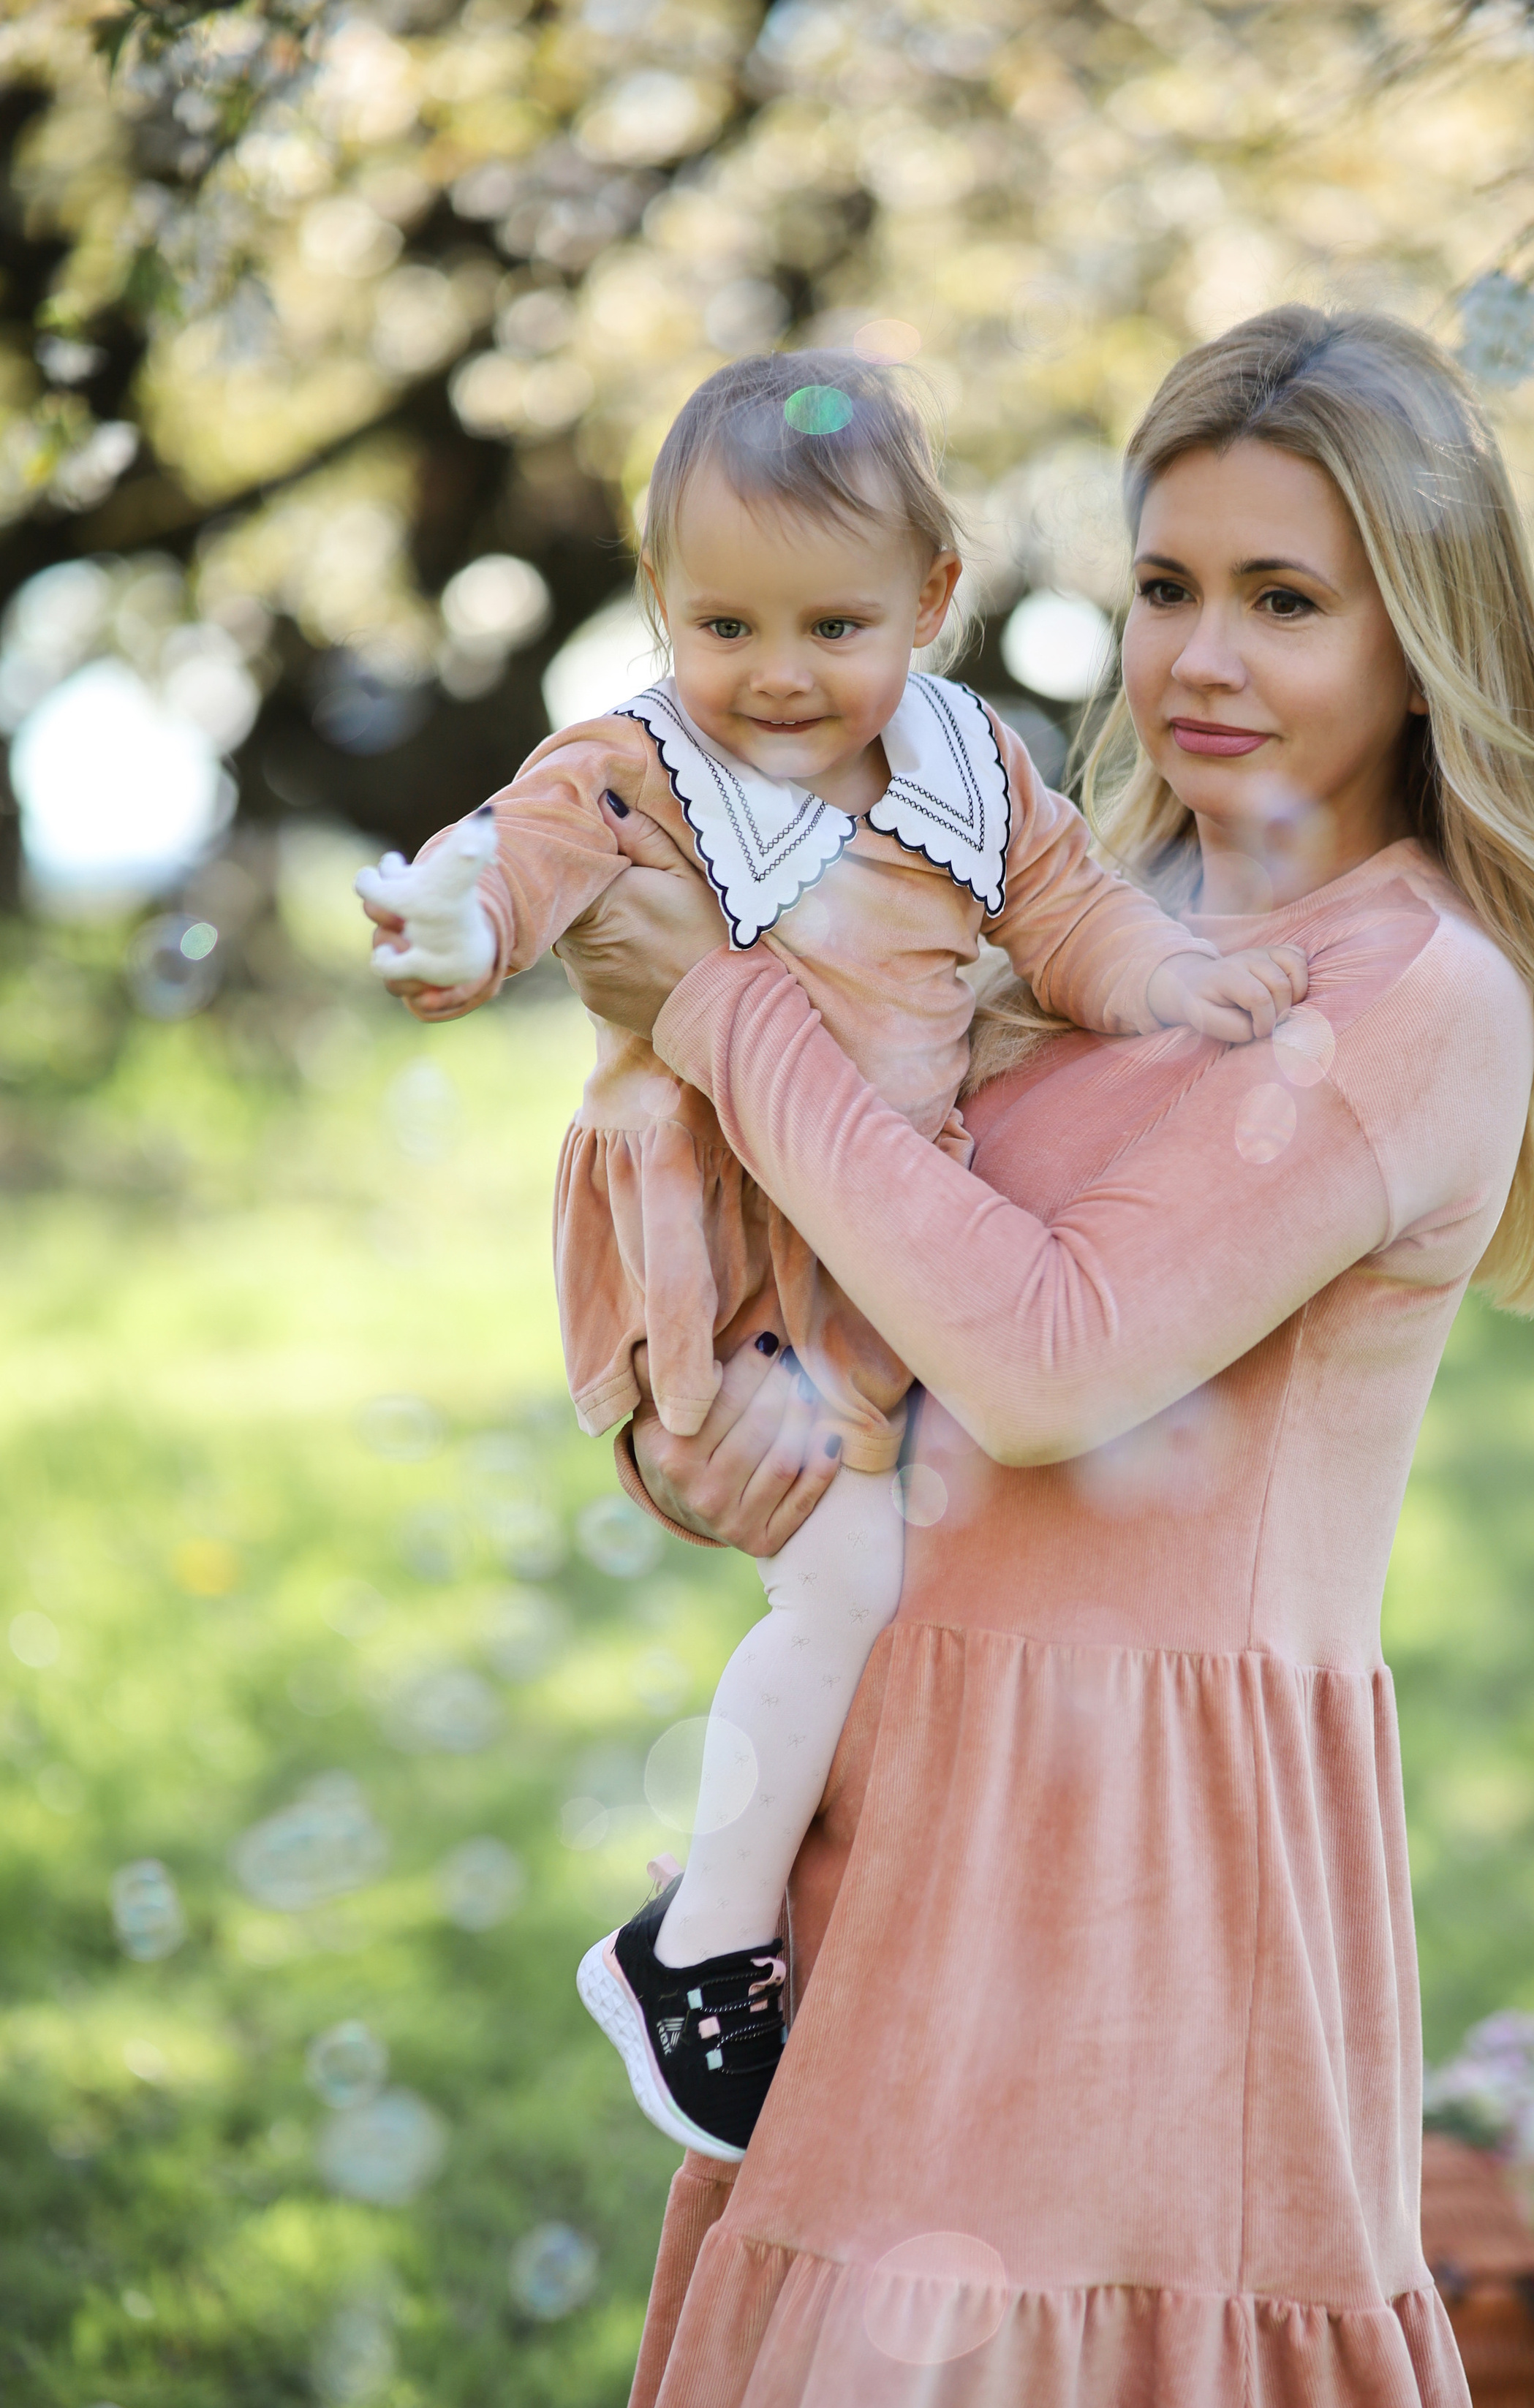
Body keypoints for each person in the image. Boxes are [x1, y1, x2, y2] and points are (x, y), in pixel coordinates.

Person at [541, 300, 1534, 2408]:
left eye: (1285, 599)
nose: (1201, 657)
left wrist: (719, 1014)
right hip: (924, 1773)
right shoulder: (1076, 917)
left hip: (1150, 1844)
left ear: (1425, 636)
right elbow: (890, 1303)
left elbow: (1045, 1359)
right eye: (1166, 585)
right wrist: (725, 1433)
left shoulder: (1415, 993)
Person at [358, 348, 1305, 2164]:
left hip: (879, 1240)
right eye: (723, 625)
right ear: (658, 602)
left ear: (931, 601)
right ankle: (697, 1943)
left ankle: (871, 1905)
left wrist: (1174, 980)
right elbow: (524, 852)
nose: (777, 675)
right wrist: (460, 928)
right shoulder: (639, 764)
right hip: (719, 1263)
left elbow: (1070, 915)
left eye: (832, 626)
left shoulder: (966, 763)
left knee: (965, 1556)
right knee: (845, 1579)